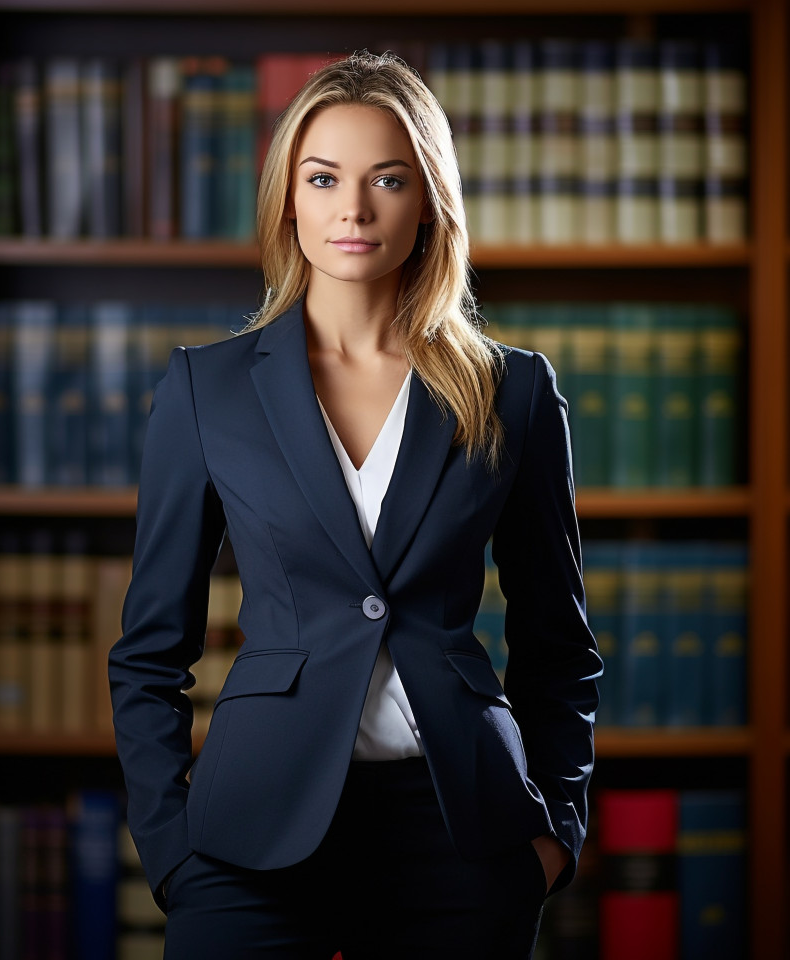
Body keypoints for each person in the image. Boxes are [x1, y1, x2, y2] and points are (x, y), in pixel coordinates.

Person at [109, 50, 602, 959]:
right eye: (324, 177)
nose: (354, 209)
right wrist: (172, 853)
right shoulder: (207, 390)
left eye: (388, 179)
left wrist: (554, 837)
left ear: (430, 202)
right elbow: (149, 654)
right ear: (287, 200)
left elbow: (559, 648)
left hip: (462, 832)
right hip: (252, 832)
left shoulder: (514, 393)